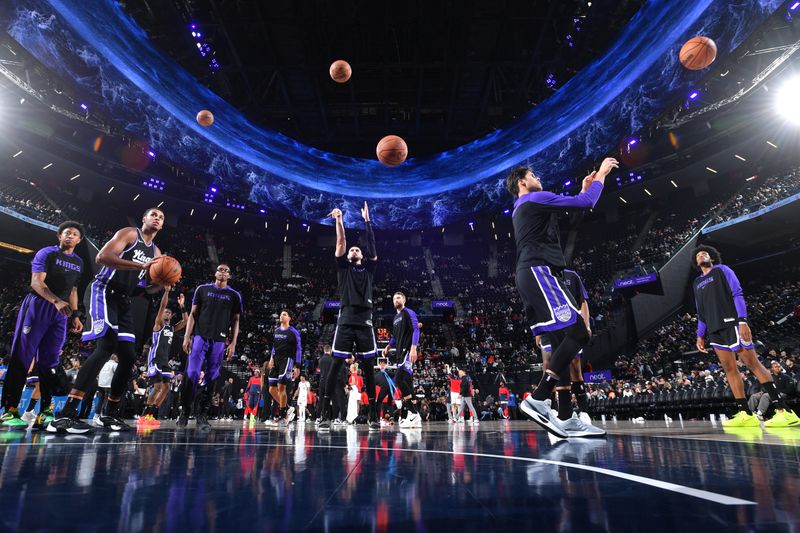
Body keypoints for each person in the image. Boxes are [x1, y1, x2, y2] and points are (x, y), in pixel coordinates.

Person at [507, 158, 617, 438]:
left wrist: (582, 189)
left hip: (529, 273)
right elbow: (585, 203)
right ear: (522, 182)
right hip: (539, 271)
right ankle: (539, 397)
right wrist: (602, 175)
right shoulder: (534, 198)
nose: (538, 176)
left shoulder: (524, 208)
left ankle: (566, 418)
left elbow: (576, 204)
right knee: (580, 334)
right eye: (533, 174)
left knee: (560, 348)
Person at [50, 209, 166, 434]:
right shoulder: (130, 234)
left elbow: (146, 289)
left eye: (161, 217)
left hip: (124, 301)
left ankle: (109, 414)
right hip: (103, 290)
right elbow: (101, 257)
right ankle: (65, 415)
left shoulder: (157, 252)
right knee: (107, 346)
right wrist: (139, 266)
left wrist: (163, 282)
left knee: (129, 355)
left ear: (162, 225)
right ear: (143, 219)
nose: (157, 218)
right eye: (153, 214)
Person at [693, 246, 799, 428]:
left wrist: (742, 321)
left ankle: (784, 411)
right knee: (729, 369)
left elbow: (737, 293)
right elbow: (701, 313)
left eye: (705, 253)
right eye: (698, 254)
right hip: (715, 330)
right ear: (696, 262)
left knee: (752, 363)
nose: (701, 254)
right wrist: (699, 335)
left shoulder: (722, 270)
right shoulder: (696, 283)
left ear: (712, 257)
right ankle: (745, 413)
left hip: (732, 323)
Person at [1, 222, 84, 430]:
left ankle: (45, 412)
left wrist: (75, 315)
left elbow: (73, 291)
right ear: (59, 236)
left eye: (74, 234)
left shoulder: (79, 262)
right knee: (23, 356)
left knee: (50, 362)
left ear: (79, 240)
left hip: (61, 314)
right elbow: (37, 283)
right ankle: (10, 410)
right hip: (39, 306)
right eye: (67, 233)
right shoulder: (47, 253)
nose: (70, 236)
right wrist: (56, 301)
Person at [318, 203, 380, 432]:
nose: (353, 250)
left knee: (369, 367)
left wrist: (367, 221)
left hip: (365, 321)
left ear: (362, 256)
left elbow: (372, 247)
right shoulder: (343, 267)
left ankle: (374, 415)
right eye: (352, 250)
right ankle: (324, 414)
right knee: (334, 367)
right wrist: (339, 220)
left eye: (357, 250)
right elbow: (341, 242)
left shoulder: (369, 269)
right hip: (345, 319)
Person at [536, 268, 602, 436]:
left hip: (571, 324)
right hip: (551, 326)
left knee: (574, 365)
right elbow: (539, 306)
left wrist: (586, 325)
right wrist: (537, 331)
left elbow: (583, 302)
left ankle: (583, 411)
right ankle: (553, 410)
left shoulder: (571, 276)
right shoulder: (543, 276)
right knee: (548, 364)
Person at [178, 264, 243, 430]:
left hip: (219, 341)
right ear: (215, 273)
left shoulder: (234, 295)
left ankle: (201, 415)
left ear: (229, 276)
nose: (222, 272)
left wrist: (233, 343)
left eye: (226, 270)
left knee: (212, 377)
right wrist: (187, 336)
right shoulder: (202, 289)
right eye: (220, 269)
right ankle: (184, 412)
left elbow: (236, 321)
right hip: (200, 337)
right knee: (191, 373)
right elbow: (192, 315)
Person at [139, 287, 187, 428]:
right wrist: (166, 292)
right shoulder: (158, 325)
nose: (166, 313)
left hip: (165, 360)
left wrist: (182, 306)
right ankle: (144, 415)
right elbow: (162, 305)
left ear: (171, 316)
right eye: (165, 312)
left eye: (169, 312)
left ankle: (152, 415)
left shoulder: (172, 328)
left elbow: (186, 321)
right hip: (154, 359)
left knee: (166, 387)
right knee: (158, 385)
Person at [382, 292, 421, 428]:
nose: (395, 300)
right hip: (399, 354)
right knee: (408, 385)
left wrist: (414, 348)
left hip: (407, 352)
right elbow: (395, 336)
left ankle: (413, 413)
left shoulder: (408, 312)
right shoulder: (395, 318)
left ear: (404, 300)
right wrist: (388, 345)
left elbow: (416, 330)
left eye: (398, 297)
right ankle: (413, 416)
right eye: (393, 298)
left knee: (398, 379)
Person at [266, 310, 301, 427]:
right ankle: (287, 408)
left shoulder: (293, 332)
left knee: (281, 388)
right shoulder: (276, 331)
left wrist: (297, 366)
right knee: (271, 389)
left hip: (287, 360)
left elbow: (299, 349)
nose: (281, 315)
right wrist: (271, 358)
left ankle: (281, 417)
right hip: (276, 360)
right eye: (281, 314)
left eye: (284, 314)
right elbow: (274, 346)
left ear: (290, 318)